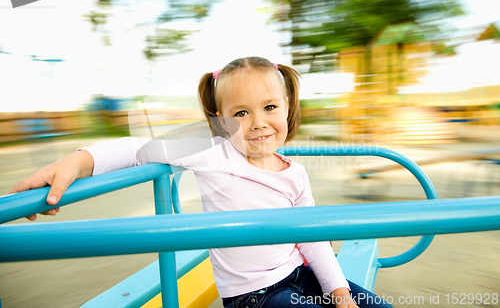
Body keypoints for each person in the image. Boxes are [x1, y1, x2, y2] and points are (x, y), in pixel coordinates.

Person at [10, 57, 393, 308]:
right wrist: (78, 161)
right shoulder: (212, 150)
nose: (258, 121)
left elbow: (312, 238)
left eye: (270, 107)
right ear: (219, 119)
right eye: (241, 112)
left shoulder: (294, 172)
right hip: (254, 296)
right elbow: (138, 148)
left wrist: (338, 291)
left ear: (288, 106)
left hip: (300, 274)